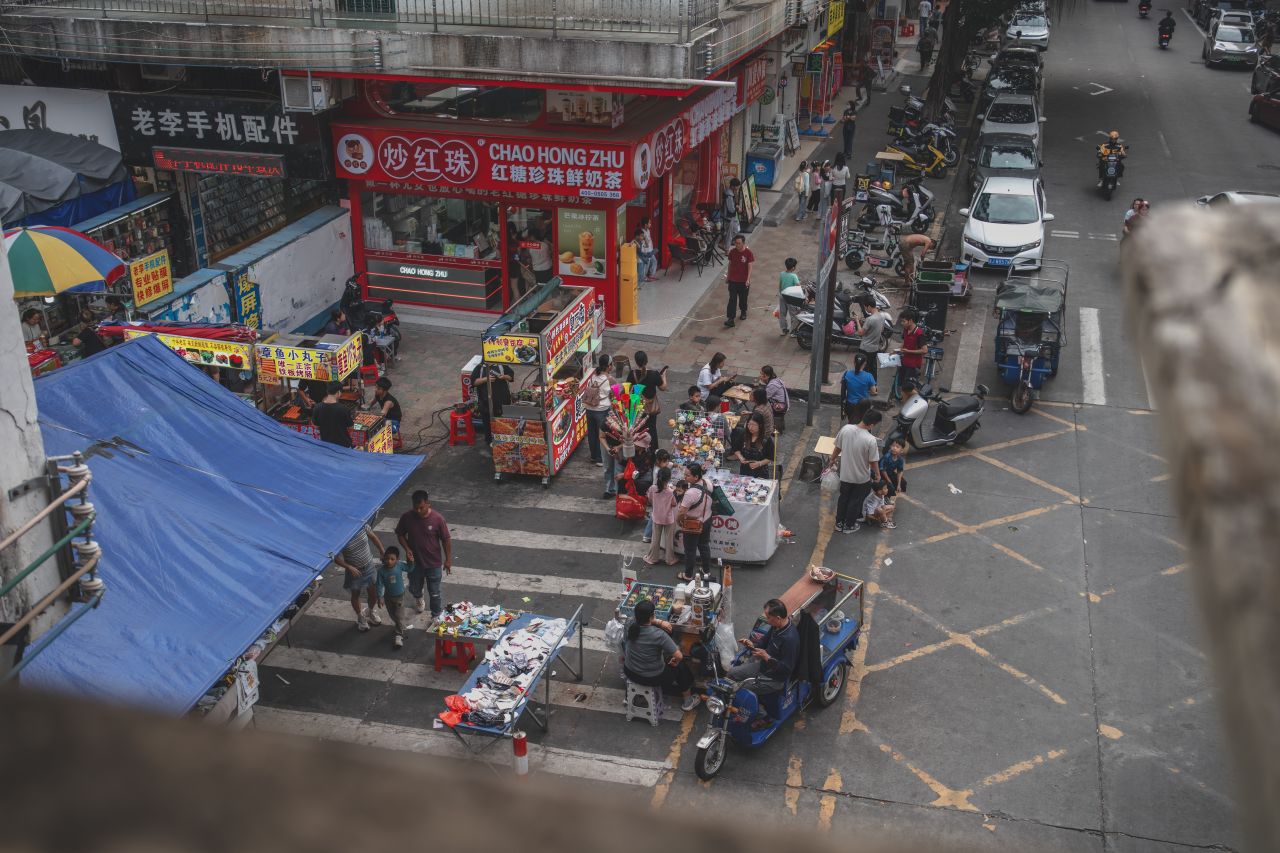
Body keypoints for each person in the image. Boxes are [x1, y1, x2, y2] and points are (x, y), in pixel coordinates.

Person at [730, 599, 800, 727]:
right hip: (762, 666)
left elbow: (787, 669)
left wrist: (767, 657)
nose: (767, 620)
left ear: (778, 618)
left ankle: (764, 717)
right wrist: (752, 644)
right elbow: (763, 642)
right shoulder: (776, 626)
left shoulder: (790, 639)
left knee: (739, 690)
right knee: (731, 673)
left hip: (774, 679)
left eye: (769, 617)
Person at [622, 599, 698, 711]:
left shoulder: (629, 624)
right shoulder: (658, 635)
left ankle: (629, 696)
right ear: (652, 615)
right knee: (681, 665)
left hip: (630, 671)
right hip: (652, 677)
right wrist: (675, 661)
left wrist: (658, 622)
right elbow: (679, 656)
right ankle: (688, 701)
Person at [395, 490, 452, 619]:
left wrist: (448, 560)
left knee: (435, 593)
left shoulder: (438, 519)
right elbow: (400, 535)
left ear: (428, 504)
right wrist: (407, 548)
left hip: (434, 563)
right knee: (414, 588)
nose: (418, 511)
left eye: (421, 507)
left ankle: (436, 615)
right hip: (414, 563)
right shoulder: (406, 517)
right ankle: (419, 597)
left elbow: (446, 540)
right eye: (416, 508)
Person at [830, 409, 882, 533]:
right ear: (872, 425)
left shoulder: (846, 429)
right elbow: (873, 461)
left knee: (844, 498)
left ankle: (839, 523)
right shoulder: (870, 440)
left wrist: (832, 459)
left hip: (845, 474)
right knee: (855, 501)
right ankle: (849, 525)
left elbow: (838, 447)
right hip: (861, 478)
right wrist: (878, 475)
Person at [335, 521, 385, 632]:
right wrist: (348, 567)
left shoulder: (362, 525)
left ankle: (370, 611)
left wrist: (382, 551)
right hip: (355, 572)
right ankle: (360, 617)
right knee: (355, 594)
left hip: (369, 566)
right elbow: (335, 557)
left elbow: (373, 537)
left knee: (374, 593)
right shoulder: (340, 536)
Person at [677, 463, 714, 582]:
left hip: (693, 523)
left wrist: (679, 521)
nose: (684, 477)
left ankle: (688, 575)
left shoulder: (690, 493)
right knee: (704, 546)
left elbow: (682, 511)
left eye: (687, 475)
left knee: (690, 550)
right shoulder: (707, 483)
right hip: (707, 520)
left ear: (696, 477)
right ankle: (706, 571)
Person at [471, 360, 515, 444]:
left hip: (502, 400)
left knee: (503, 423)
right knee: (487, 424)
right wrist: (485, 379)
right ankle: (489, 442)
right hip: (485, 402)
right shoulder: (479, 367)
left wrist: (504, 376)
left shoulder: (501, 365)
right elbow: (474, 382)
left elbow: (511, 377)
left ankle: (504, 442)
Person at [644, 467, 680, 566]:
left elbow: (650, 499)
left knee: (655, 539)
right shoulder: (670, 492)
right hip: (668, 518)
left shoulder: (652, 488)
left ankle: (653, 558)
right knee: (669, 540)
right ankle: (670, 559)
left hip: (656, 517)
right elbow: (674, 504)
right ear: (669, 479)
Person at [583, 353, 613, 466]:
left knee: (592, 434)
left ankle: (593, 456)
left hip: (589, 409)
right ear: (609, 366)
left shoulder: (593, 375)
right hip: (601, 410)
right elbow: (616, 393)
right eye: (611, 364)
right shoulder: (609, 379)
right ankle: (600, 459)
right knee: (602, 434)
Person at [730, 412, 775, 479]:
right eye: (749, 424)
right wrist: (740, 457)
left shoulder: (766, 440)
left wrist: (759, 463)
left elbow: (771, 457)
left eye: (754, 425)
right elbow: (736, 449)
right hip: (745, 470)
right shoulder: (743, 435)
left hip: (761, 472)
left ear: (760, 425)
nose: (750, 427)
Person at [643, 449, 673, 543]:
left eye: (667, 460)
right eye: (665, 461)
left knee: (655, 514)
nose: (667, 463)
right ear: (658, 461)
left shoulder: (661, 466)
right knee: (654, 515)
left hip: (657, 496)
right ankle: (647, 535)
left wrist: (677, 465)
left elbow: (671, 464)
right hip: (657, 496)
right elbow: (658, 486)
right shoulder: (658, 472)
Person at [858, 299, 891, 385]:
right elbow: (882, 329)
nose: (866, 309)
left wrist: (857, 321)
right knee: (873, 368)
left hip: (865, 348)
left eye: (865, 307)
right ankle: (873, 386)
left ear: (869, 306)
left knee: (863, 368)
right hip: (875, 348)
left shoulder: (869, 319)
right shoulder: (882, 316)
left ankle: (864, 386)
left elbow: (860, 333)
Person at [724, 233, 754, 328]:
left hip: (743, 281)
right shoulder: (732, 252)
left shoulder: (748, 253)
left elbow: (750, 267)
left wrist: (748, 279)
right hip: (733, 280)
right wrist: (728, 277)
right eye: (736, 243)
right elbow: (730, 264)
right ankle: (730, 319)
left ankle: (743, 311)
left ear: (743, 243)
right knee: (732, 299)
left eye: (739, 243)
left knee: (743, 298)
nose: (737, 245)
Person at [312, 381, 354, 447]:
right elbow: (351, 427)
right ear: (338, 392)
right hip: (343, 445)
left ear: (327, 391)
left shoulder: (317, 407)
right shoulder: (343, 409)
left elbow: (316, 426)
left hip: (326, 444)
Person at [841, 353, 879, 423]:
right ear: (865, 363)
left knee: (851, 422)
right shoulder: (869, 376)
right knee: (863, 423)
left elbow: (844, 388)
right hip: (863, 405)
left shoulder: (847, 374)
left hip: (850, 405)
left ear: (854, 362)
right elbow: (873, 391)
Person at [896, 308, 927, 387]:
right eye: (901, 321)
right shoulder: (906, 330)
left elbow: (924, 350)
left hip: (913, 365)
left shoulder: (919, 333)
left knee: (909, 387)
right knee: (902, 384)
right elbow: (904, 342)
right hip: (904, 362)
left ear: (910, 321)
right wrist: (896, 350)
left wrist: (908, 351)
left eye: (904, 321)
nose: (902, 323)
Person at [759, 365, 789, 431]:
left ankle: (764, 427)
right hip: (782, 404)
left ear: (767, 376)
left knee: (760, 406)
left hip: (780, 407)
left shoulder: (772, 385)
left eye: (761, 374)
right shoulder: (775, 380)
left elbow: (764, 397)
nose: (760, 376)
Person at [778, 257, 800, 336]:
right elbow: (798, 286)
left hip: (782, 296)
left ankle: (784, 329)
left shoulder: (782, 274)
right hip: (791, 298)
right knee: (793, 314)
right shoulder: (794, 276)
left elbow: (780, 285)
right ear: (793, 267)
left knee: (782, 314)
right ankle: (793, 332)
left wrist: (780, 293)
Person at [722, 177, 742, 250]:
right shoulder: (729, 195)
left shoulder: (732, 193)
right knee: (729, 234)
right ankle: (726, 249)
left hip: (733, 216)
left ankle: (723, 243)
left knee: (736, 230)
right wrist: (737, 208)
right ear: (733, 186)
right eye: (737, 187)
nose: (738, 188)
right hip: (729, 217)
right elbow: (730, 209)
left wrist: (736, 206)